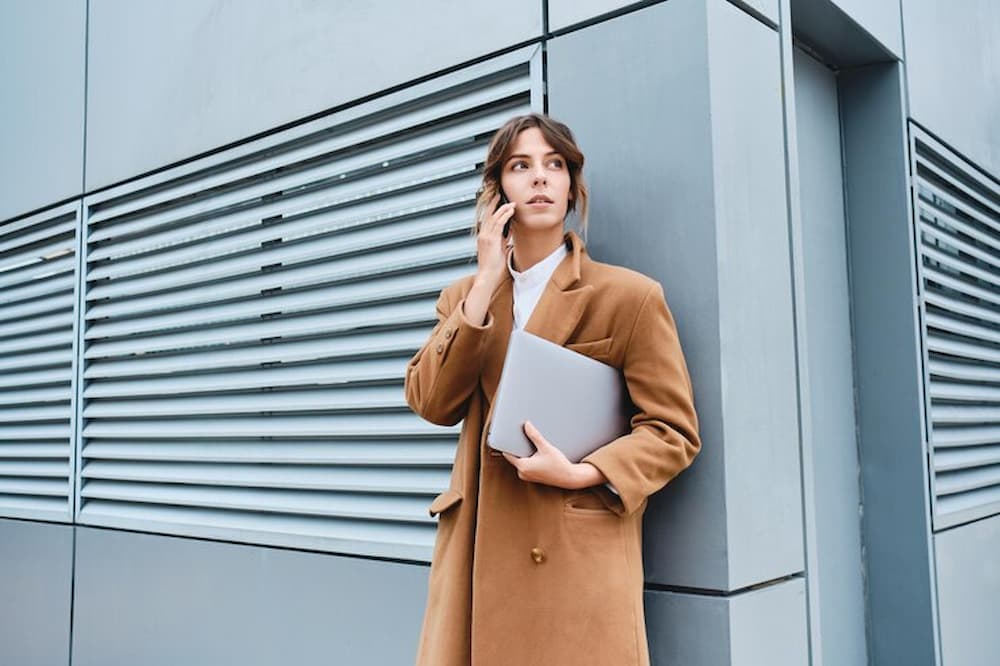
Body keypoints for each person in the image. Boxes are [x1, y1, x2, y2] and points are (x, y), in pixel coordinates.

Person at [404, 112, 701, 666]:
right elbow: (431, 403)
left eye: (554, 164)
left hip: (572, 551)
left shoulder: (628, 297)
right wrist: (484, 285)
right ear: (499, 191)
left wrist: (586, 472)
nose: (540, 177)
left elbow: (672, 431)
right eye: (521, 166)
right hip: (476, 555)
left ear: (571, 186)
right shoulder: (464, 297)